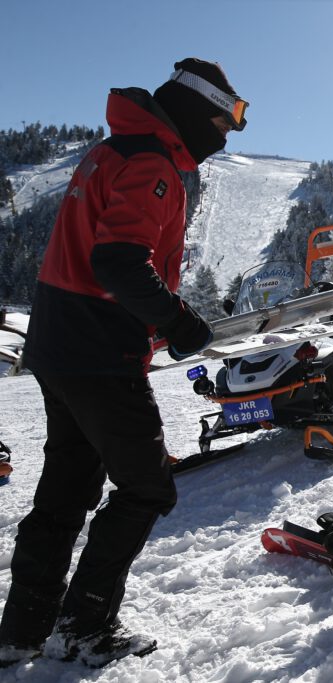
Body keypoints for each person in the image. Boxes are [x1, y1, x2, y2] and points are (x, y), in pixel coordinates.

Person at [0, 58, 248, 668]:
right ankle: (85, 625)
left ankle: (21, 631)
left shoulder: (115, 150)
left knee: (66, 488)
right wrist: (176, 320)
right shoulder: (151, 164)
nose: (226, 132)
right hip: (99, 351)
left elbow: (101, 258)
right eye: (227, 116)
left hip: (60, 344)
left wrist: (161, 315)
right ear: (196, 109)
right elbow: (117, 261)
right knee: (145, 486)